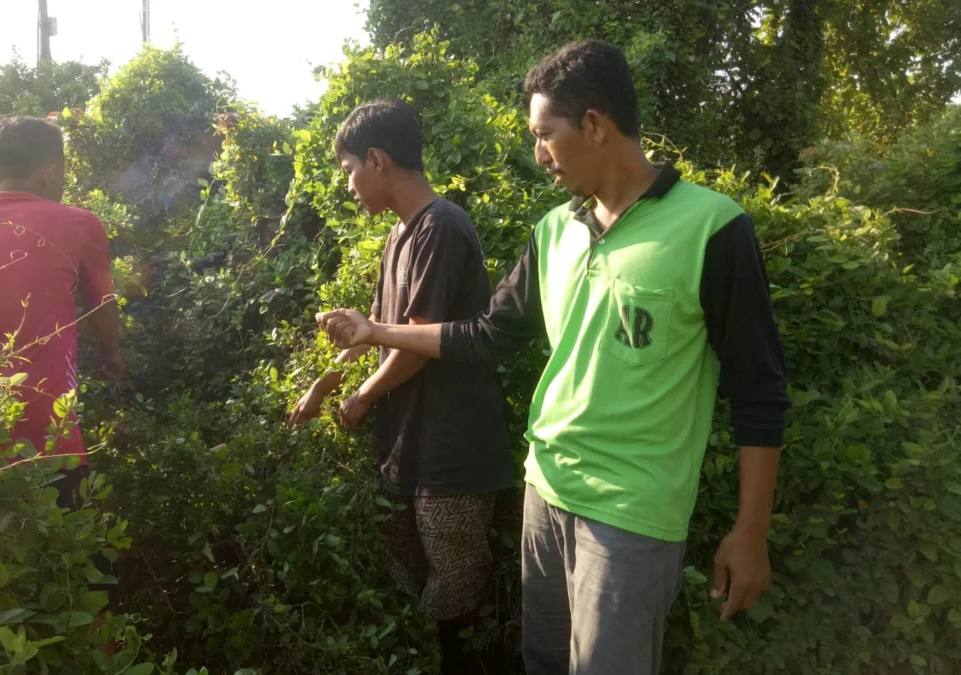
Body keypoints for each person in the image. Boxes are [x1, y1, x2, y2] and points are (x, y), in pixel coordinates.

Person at [316, 41, 790, 675]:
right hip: (545, 492)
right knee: (542, 661)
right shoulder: (553, 232)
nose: (538, 153)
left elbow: (758, 393)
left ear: (593, 124)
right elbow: (484, 335)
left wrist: (750, 532)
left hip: (631, 515)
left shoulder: (714, 228)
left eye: (545, 134)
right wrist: (376, 331)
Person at [288, 99, 515, 674]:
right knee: (407, 581)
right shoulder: (398, 237)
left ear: (377, 159)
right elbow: (373, 335)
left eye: (347, 172)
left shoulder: (442, 226)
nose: (348, 186)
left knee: (456, 588)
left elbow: (414, 343)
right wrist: (323, 385)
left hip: (452, 451)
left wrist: (362, 399)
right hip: (407, 446)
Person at [0, 115, 124, 518]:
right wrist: (112, 354)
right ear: (50, 170)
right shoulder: (78, 223)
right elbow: (103, 306)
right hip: (44, 435)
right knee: (68, 560)